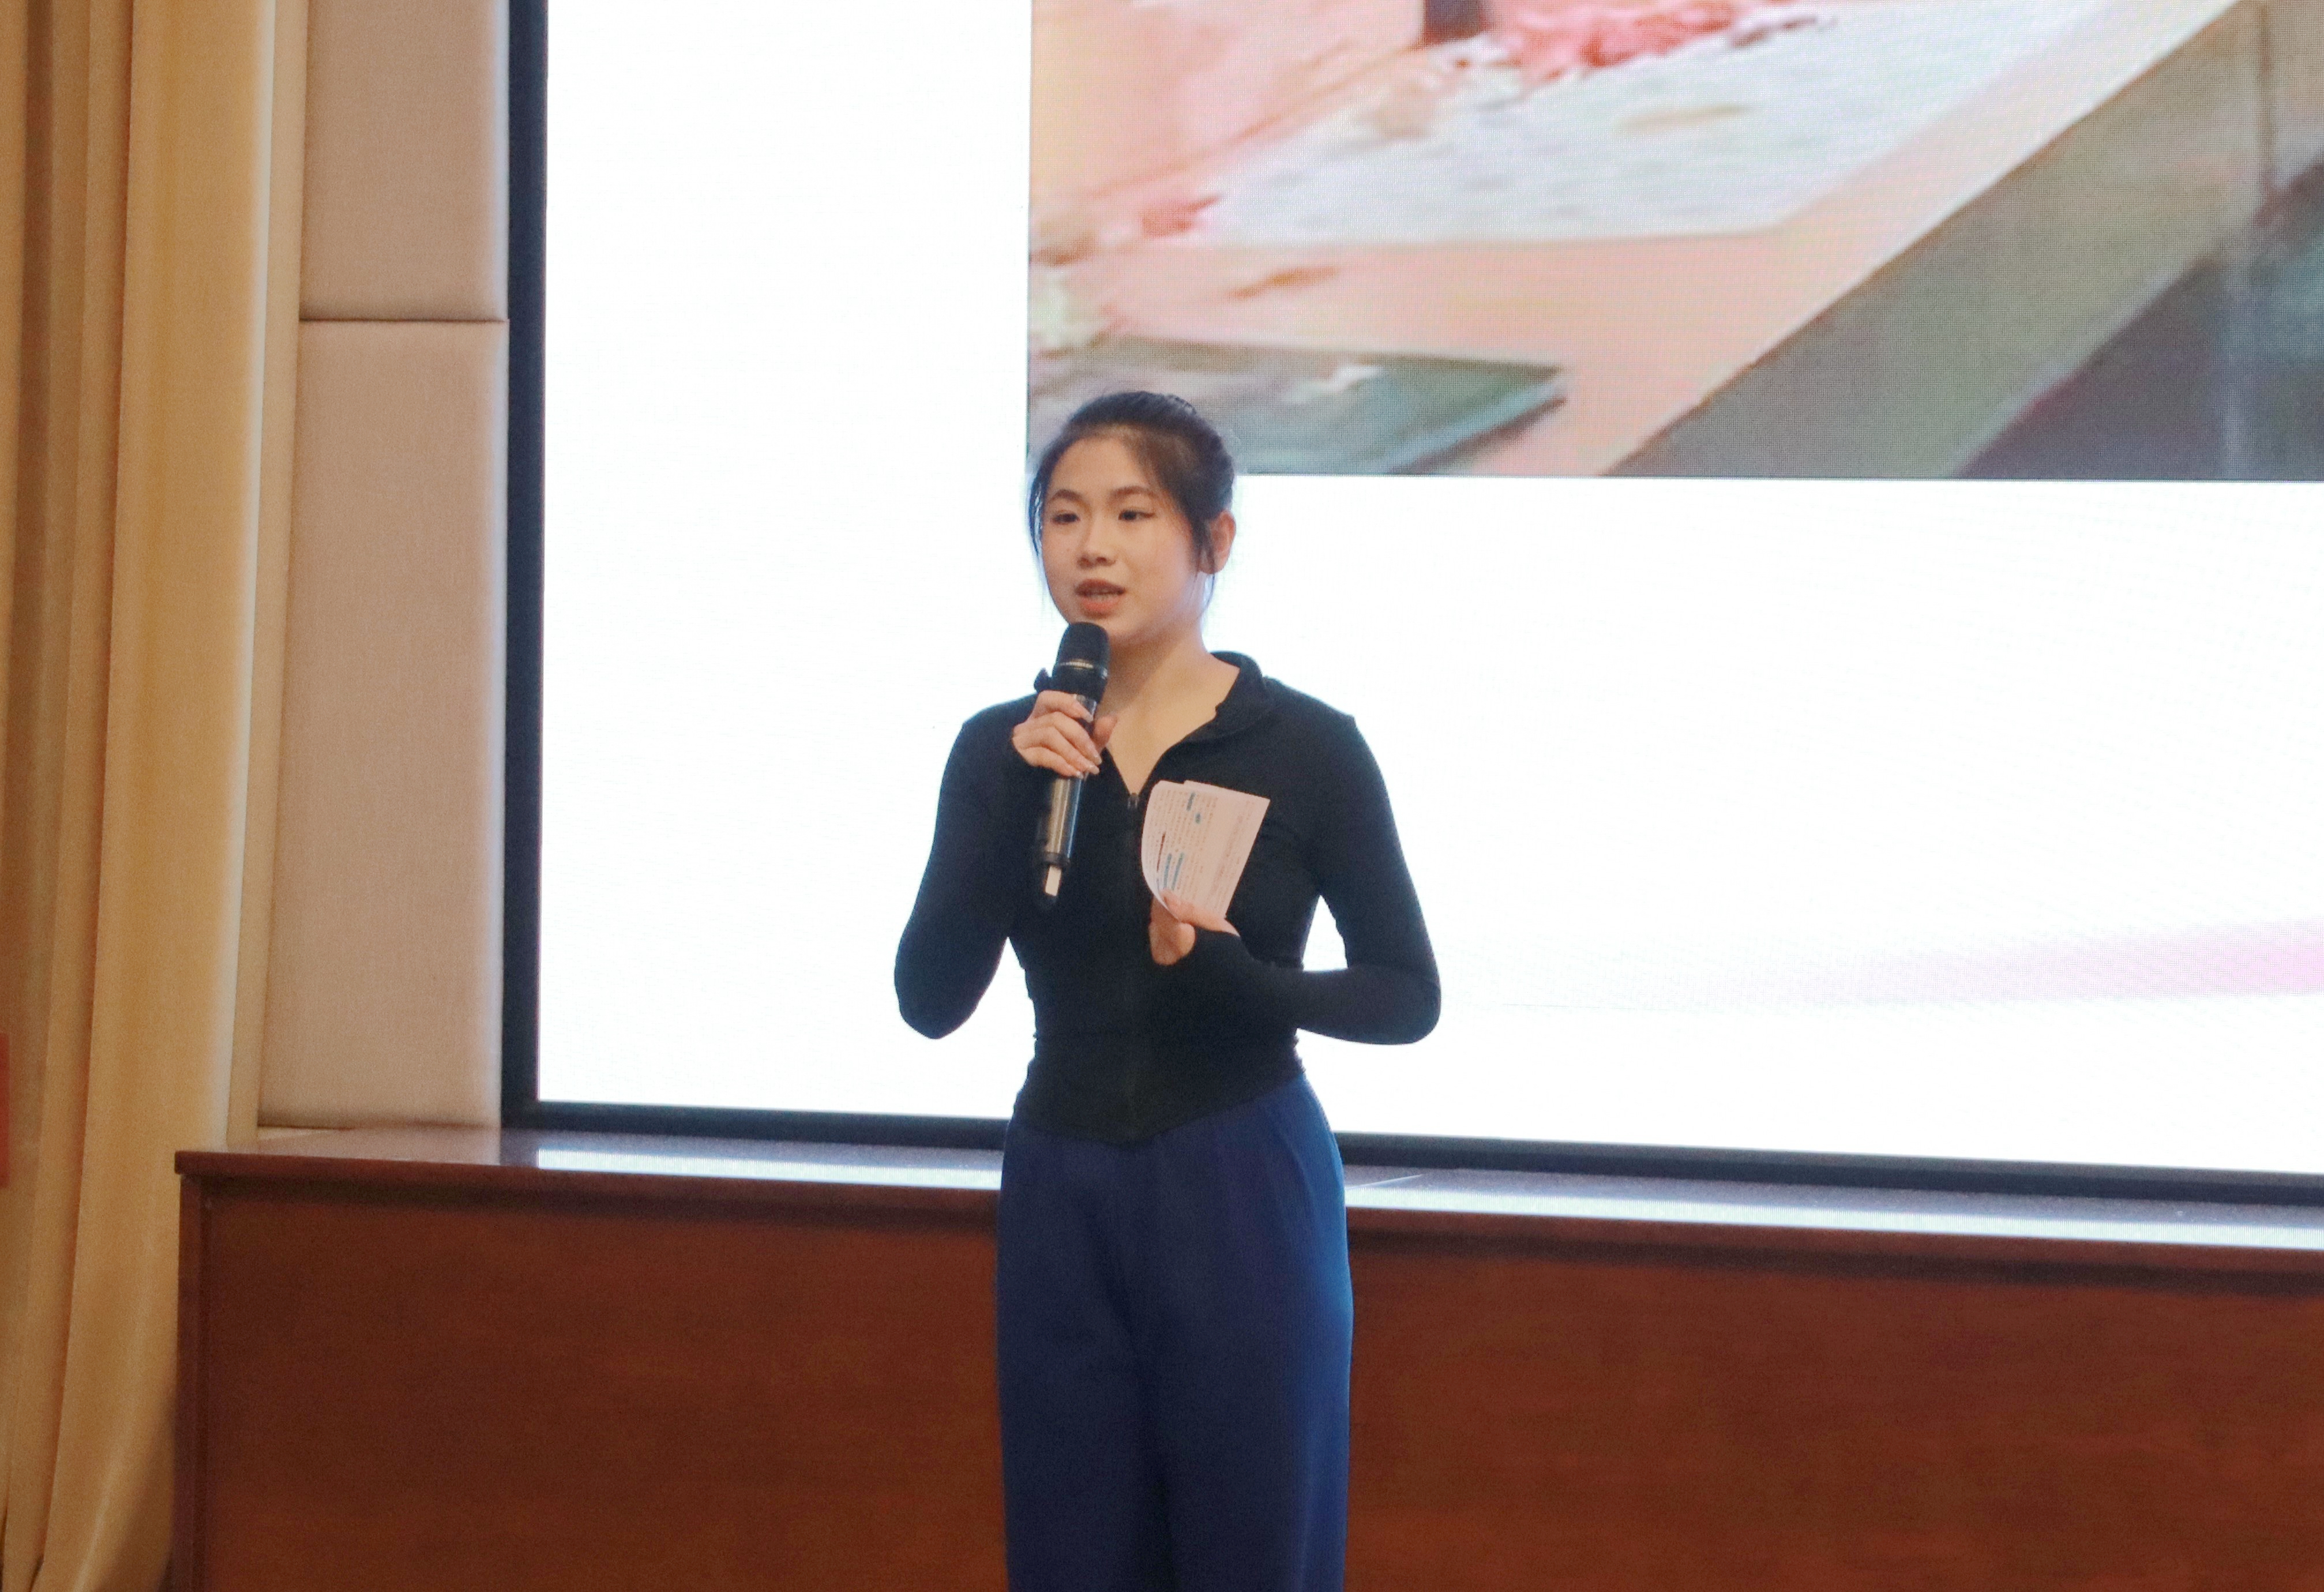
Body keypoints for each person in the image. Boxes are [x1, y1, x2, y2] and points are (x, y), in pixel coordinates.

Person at [894, 391, 1439, 1592]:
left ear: (1213, 542)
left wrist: (1243, 979)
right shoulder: (1004, 750)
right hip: (1062, 1173)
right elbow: (928, 999)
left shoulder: (1304, 745)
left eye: (1132, 514)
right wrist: (1008, 810)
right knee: (1071, 1544)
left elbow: (1406, 994)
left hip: (1240, 1172)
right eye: (1063, 517)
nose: (1091, 547)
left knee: (1255, 1539)